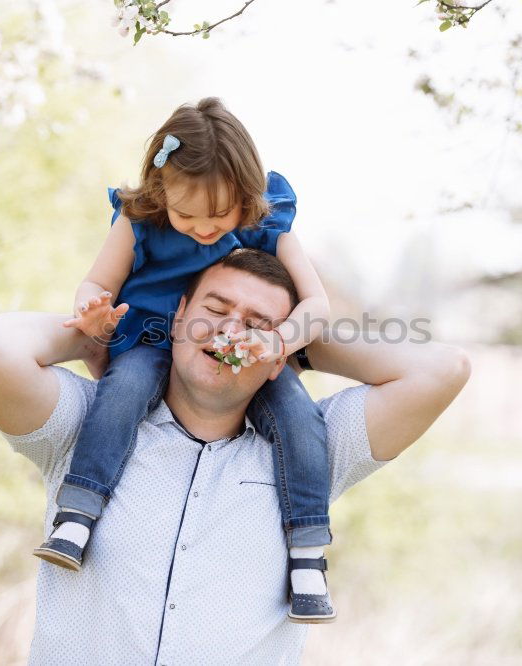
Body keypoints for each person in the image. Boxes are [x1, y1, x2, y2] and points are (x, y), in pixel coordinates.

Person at [0, 248, 471, 663]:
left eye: (254, 322)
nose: (230, 331)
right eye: (215, 311)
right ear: (178, 317)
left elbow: (443, 368)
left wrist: (297, 341)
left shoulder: (314, 452)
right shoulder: (87, 427)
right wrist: (105, 331)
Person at [37, 97, 337, 622]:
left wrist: (280, 341)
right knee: (124, 392)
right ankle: (78, 514)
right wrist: (92, 312)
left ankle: (308, 551)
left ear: (246, 192)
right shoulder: (139, 221)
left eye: (220, 216)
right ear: (161, 193)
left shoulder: (267, 216)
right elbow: (96, 282)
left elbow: (318, 304)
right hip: (154, 340)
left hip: (250, 346)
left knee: (298, 414)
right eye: (186, 215)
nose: (203, 228)